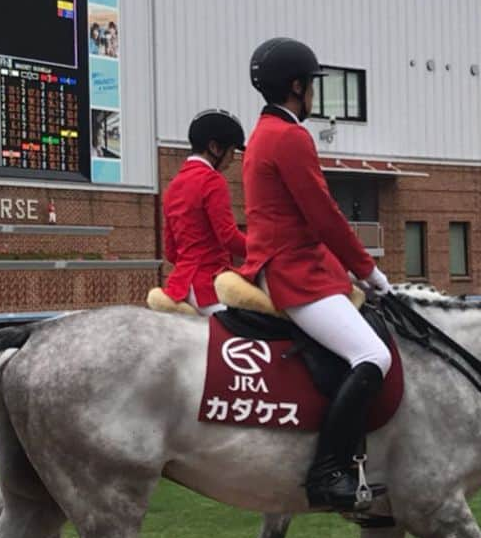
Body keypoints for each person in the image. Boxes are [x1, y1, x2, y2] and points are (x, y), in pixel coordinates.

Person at [240, 36, 392, 511]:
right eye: (311, 88)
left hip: (290, 264)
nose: (313, 98)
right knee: (374, 354)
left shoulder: (263, 133)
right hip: (293, 272)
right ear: (298, 86)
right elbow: (323, 215)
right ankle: (327, 470)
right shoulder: (289, 137)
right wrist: (369, 272)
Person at [162, 110, 247, 316]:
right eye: (231, 151)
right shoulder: (212, 180)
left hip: (179, 286)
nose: (232, 159)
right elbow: (229, 238)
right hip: (208, 287)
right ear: (214, 148)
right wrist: (265, 251)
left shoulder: (173, 186)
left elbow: (171, 251)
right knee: (253, 334)